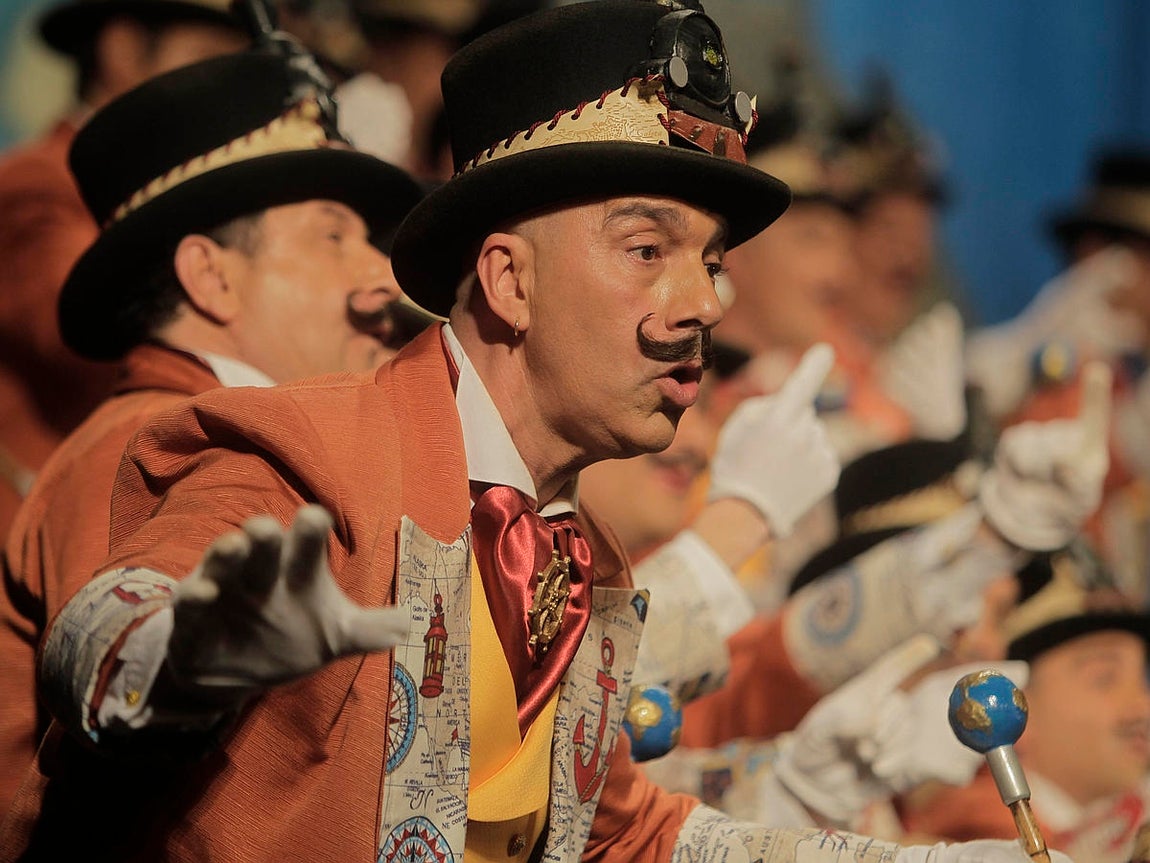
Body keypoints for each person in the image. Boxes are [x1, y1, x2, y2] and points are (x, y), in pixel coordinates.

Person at [3, 4, 1078, 862]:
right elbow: (110, 626)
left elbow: (613, 831)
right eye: (646, 247)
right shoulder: (302, 452)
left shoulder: (579, 549)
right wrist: (187, 649)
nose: (705, 298)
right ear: (509, 279)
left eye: (710, 258)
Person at [0, 42, 424, 818]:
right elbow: (129, 779)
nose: (381, 277)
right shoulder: (137, 444)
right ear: (211, 276)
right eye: (334, 236)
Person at [0, 0, 247, 541]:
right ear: (122, 49)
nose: (222, 91)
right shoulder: (38, 182)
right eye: (205, 59)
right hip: (45, 532)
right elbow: (79, 330)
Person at [900, 546, 1150, 863]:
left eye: (1144, 682)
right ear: (1008, 705)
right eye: (1104, 678)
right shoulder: (971, 837)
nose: (1144, 708)